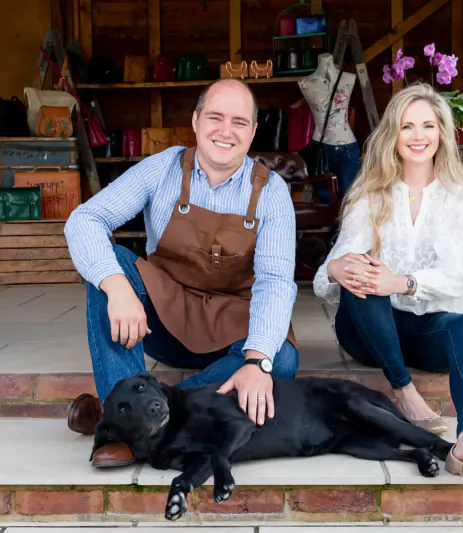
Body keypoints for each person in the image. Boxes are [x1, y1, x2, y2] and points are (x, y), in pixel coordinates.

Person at [64, 78, 299, 468]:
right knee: (111, 266)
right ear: (195, 121)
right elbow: (85, 219)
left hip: (231, 324)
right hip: (164, 320)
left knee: (281, 361)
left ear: (253, 131)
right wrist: (117, 287)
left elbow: (275, 282)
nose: (225, 131)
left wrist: (257, 361)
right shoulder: (162, 168)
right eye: (215, 117)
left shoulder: (271, 192)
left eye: (239, 122)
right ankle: (125, 424)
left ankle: (124, 417)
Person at [313, 83, 463, 490]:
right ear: (393, 135)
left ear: (442, 133)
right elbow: (331, 272)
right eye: (407, 126)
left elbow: (459, 279)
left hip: (426, 332)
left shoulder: (459, 196)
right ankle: (405, 392)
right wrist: (337, 269)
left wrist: (400, 282)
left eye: (428, 126)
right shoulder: (369, 193)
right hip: (367, 331)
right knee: (362, 273)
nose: (419, 136)